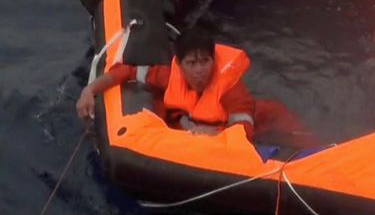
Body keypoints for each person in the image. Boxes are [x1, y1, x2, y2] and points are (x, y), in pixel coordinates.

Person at [76, 29, 311, 145]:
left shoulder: (232, 90)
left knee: (303, 142)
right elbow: (126, 72)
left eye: (205, 61)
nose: (199, 70)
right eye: (192, 63)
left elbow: (243, 132)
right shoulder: (169, 77)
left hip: (264, 120)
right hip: (197, 125)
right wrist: (89, 91)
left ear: (214, 60)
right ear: (180, 64)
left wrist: (215, 135)